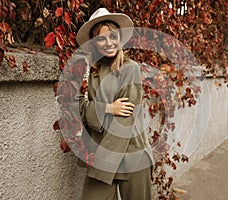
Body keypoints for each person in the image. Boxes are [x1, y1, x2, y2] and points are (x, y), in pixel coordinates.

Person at [75, 8, 153, 200]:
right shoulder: (88, 71)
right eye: (101, 39)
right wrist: (107, 108)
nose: (108, 43)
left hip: (131, 156)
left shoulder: (130, 69)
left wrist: (101, 162)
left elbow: (124, 121)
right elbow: (76, 108)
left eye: (113, 36)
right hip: (101, 152)